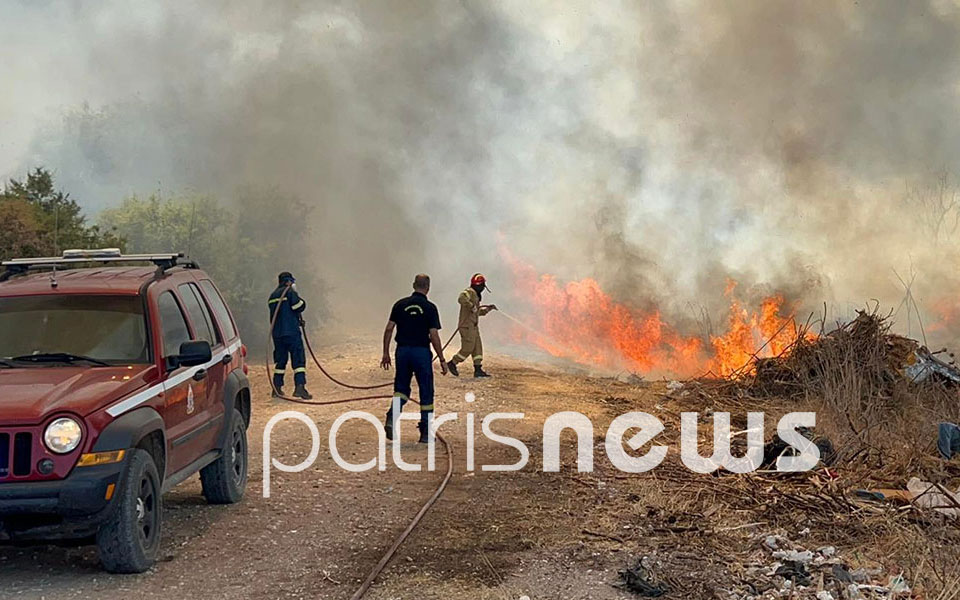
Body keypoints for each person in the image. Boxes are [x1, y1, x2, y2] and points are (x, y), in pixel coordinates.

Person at [381, 274, 447, 443]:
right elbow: (433, 335)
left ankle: (391, 417)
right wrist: (442, 359)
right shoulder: (430, 308)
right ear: (428, 287)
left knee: (401, 389)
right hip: (421, 353)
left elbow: (389, 329)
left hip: (402, 352)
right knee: (426, 391)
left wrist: (386, 353)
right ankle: (425, 432)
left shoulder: (400, 304)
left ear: (413, 285)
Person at [268, 271, 312, 399]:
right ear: (288, 282)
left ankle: (276, 388)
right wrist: (302, 301)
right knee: (298, 359)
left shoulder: (272, 295)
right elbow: (298, 306)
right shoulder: (290, 292)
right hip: (291, 332)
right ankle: (300, 387)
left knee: (281, 360)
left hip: (277, 334)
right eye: (292, 282)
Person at [447, 273, 496, 378]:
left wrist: (489, 309)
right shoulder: (470, 292)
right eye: (482, 285)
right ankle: (452, 363)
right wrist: (471, 305)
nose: (483, 288)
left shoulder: (476, 296)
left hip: (473, 327)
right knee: (467, 348)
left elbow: (477, 312)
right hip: (467, 327)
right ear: (479, 285)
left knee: (477, 348)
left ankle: (478, 369)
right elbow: (461, 298)